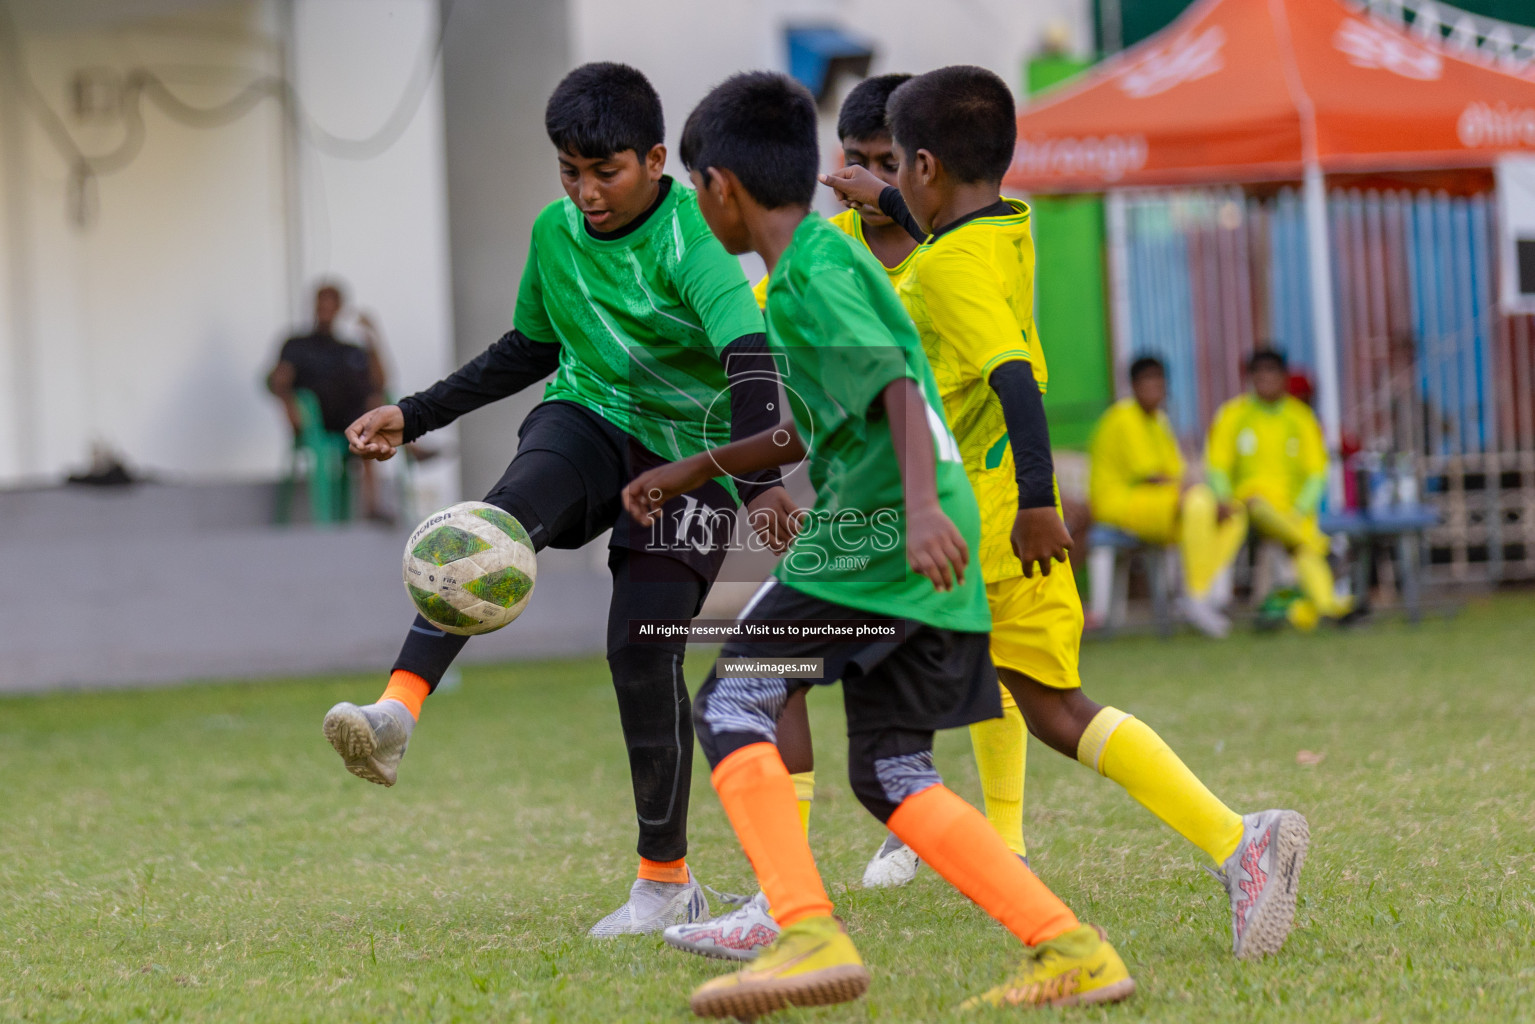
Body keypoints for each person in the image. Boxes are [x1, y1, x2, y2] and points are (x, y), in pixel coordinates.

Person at [625, 70, 1134, 1015]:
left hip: (881, 529)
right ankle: (1070, 948)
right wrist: (696, 468)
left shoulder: (812, 272)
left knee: (734, 697)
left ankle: (805, 930)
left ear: (722, 186)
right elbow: (818, 421)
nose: (699, 206)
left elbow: (899, 389)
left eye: (697, 187)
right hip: (913, 517)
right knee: (891, 769)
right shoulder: (821, 262)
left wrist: (919, 509)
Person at [812, 66, 1309, 961]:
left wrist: (1038, 504)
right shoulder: (1003, 222)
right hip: (982, 507)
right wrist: (882, 192)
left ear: (923, 164)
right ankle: (1224, 841)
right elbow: (934, 227)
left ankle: (1237, 840)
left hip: (998, 513)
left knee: (999, 700)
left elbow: (1012, 378)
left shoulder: (955, 264)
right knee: (1037, 701)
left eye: (897, 169)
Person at [321, 62, 800, 937]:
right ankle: (396, 712)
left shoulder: (693, 240)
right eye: (568, 173)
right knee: (487, 531)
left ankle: (665, 883)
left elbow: (750, 362)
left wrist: (763, 481)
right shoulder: (556, 234)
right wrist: (413, 412)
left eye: (604, 172)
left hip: (693, 459)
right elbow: (527, 348)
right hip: (586, 416)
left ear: (656, 159)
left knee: (639, 650)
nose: (585, 193)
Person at [1088, 355, 1247, 637]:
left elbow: (1176, 472)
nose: (1154, 388)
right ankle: (1195, 597)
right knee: (1199, 502)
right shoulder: (1123, 417)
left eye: (1159, 381)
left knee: (1232, 513)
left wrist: (1199, 492)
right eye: (1147, 381)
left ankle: (1203, 593)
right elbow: (1152, 476)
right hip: (1121, 503)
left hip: (1157, 503)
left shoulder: (1159, 420)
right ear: (1133, 385)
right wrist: (1192, 490)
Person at [1206, 348, 1353, 629]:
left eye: (1271, 372)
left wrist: (1299, 509)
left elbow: (1316, 473)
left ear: (1284, 377)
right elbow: (1217, 466)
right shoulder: (1233, 415)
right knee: (1260, 507)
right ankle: (1324, 551)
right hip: (1244, 508)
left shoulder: (1300, 418)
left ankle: (1327, 607)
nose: (1265, 379)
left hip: (1291, 511)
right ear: (1249, 378)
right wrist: (1223, 498)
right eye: (1258, 374)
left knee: (1300, 544)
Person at [266, 282, 388, 518]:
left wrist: (374, 341)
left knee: (375, 405)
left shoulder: (349, 349)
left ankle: (373, 506)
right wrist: (288, 404)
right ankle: (410, 443)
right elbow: (277, 381)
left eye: (330, 306)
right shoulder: (297, 345)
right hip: (317, 421)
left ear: (340, 309)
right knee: (372, 418)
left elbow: (380, 383)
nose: (325, 310)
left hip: (353, 418)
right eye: (321, 305)